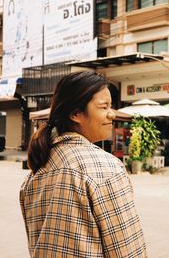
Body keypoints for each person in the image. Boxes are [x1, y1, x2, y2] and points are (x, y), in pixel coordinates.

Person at [20, 71, 147, 257]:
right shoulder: (105, 167)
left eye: (111, 106)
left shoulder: (36, 173)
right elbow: (128, 249)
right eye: (104, 107)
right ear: (76, 113)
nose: (112, 114)